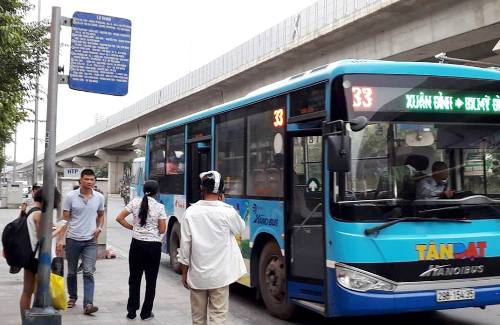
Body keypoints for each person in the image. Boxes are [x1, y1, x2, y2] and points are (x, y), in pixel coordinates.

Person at [178, 170, 246, 325]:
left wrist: (184, 273)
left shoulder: (190, 212)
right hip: (220, 276)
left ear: (202, 189)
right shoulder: (227, 212)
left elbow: (185, 247)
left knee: (197, 319)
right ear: (222, 191)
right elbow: (241, 229)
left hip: (197, 276)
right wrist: (225, 203)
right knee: (218, 317)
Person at [115, 180, 166, 321]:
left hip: (137, 245)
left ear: (144, 190)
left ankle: (131, 311)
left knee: (134, 279)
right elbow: (162, 229)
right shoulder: (159, 207)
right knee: (151, 281)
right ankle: (146, 313)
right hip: (153, 247)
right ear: (156, 192)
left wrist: (133, 228)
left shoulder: (134, 203)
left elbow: (119, 218)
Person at [56, 169, 105, 315]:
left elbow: (101, 215)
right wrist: (60, 239)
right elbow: (65, 219)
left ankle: (88, 304)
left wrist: (99, 228)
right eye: (87, 179)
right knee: (71, 271)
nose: (89, 182)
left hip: (90, 241)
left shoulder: (99, 197)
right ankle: (72, 297)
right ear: (80, 180)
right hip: (73, 239)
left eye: (92, 179)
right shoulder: (71, 196)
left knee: (88, 272)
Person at [20, 187, 64, 320]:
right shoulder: (39, 214)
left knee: (27, 291)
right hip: (38, 258)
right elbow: (43, 238)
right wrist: (60, 229)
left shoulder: (29, 211)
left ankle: (25, 320)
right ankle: (35, 318)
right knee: (41, 292)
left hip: (29, 256)